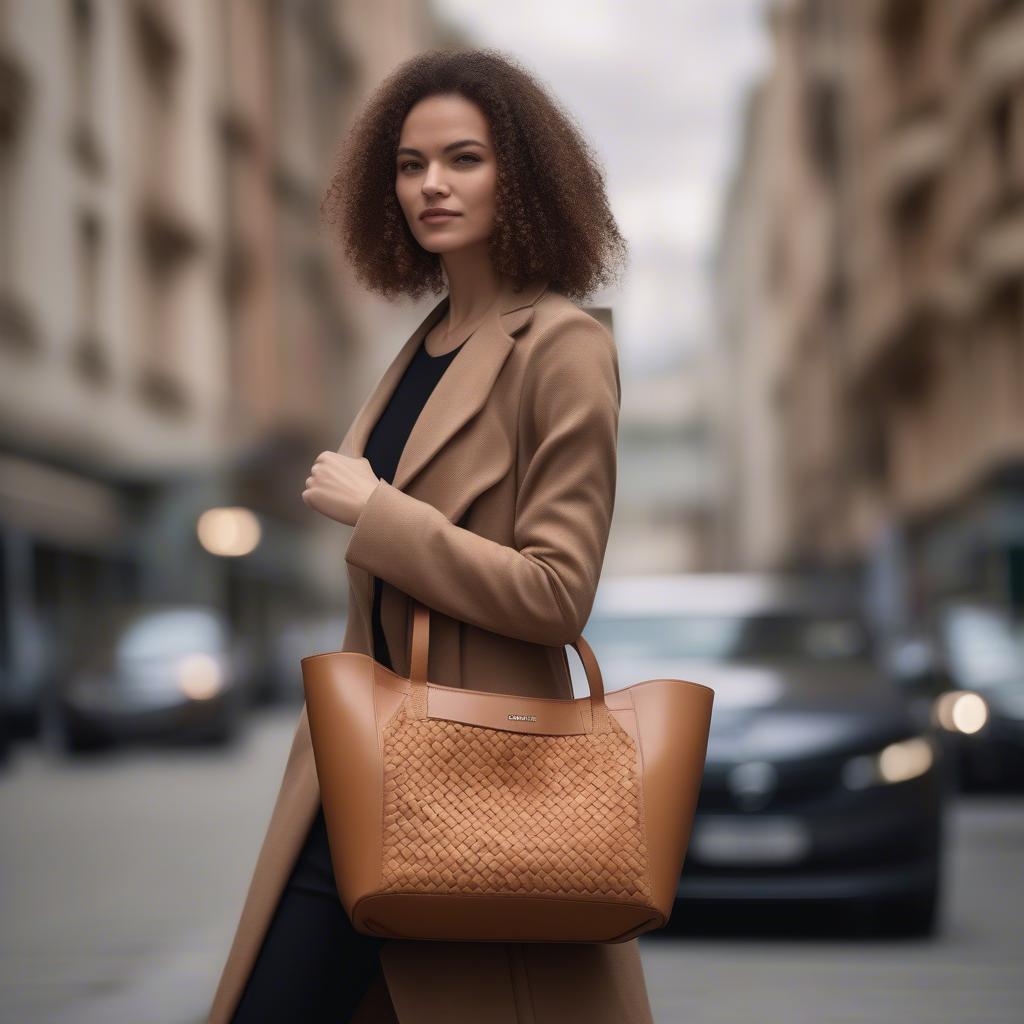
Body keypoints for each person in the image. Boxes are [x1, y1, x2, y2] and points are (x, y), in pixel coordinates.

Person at [209, 46, 653, 1023]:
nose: (431, 186)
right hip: (358, 762)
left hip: (473, 779)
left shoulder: (565, 347)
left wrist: (380, 515)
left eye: (463, 158)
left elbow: (556, 592)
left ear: (522, 177)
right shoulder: (420, 345)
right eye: (409, 166)